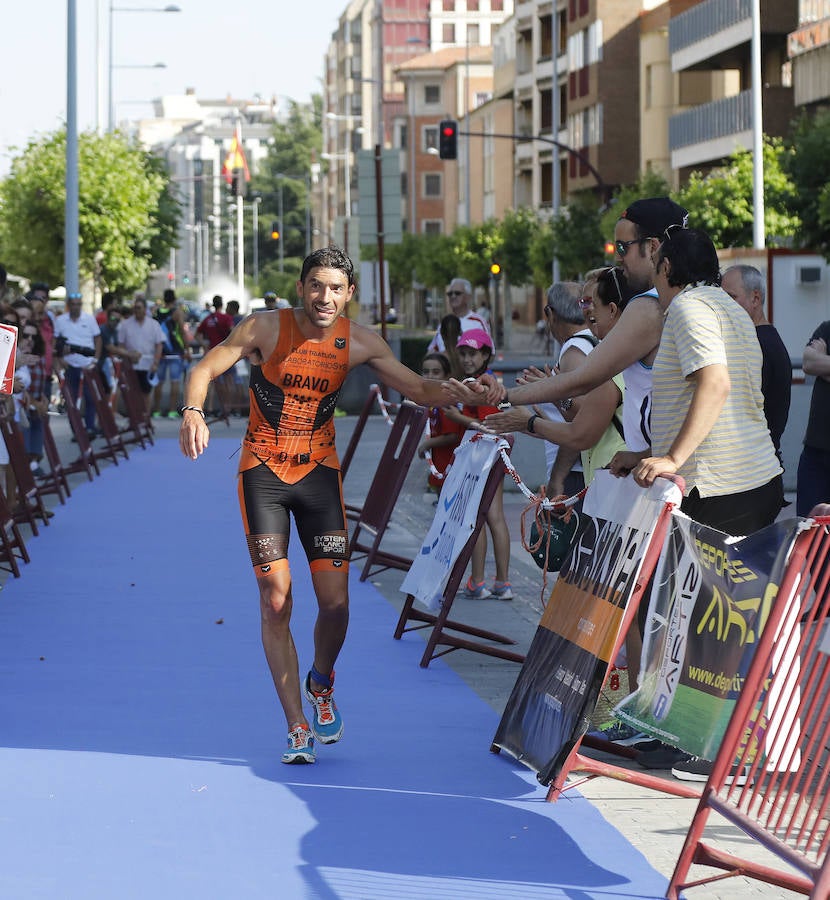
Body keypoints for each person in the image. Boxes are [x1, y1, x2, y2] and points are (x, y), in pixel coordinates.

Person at [178, 246, 450, 765]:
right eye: (316, 286)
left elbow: (418, 388)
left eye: (336, 289)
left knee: (336, 605)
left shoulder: (361, 341)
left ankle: (321, 682)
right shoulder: (264, 328)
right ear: (303, 287)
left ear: (350, 295)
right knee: (275, 598)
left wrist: (469, 392)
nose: (325, 297)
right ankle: (296, 725)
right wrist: (192, 411)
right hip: (263, 471)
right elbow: (205, 368)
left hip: (319, 475)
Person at [631, 228, 784, 784]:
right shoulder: (726, 307)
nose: (648, 267)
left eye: (653, 258)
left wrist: (671, 457)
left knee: (710, 624)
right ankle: (686, 737)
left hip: (724, 487)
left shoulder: (690, 308)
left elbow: (714, 386)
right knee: (708, 621)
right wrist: (648, 454)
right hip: (747, 478)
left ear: (667, 266)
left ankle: (716, 750)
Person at [450, 328, 513, 601]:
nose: (467, 359)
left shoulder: (483, 385)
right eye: (463, 353)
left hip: (484, 456)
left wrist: (456, 416)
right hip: (488, 455)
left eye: (473, 353)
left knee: (481, 518)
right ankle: (500, 582)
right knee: (491, 518)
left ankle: (480, 581)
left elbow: (489, 427)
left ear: (486, 354)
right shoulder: (483, 381)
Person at [721, 264, 791, 462]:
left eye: (731, 297)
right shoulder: (763, 339)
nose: (723, 305)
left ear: (755, 298)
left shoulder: (756, 344)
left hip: (752, 465)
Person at [54, 292, 101, 437]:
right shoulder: (60, 320)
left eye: (78, 304)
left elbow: (98, 339)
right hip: (69, 366)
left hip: (88, 365)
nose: (76, 307)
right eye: (73, 304)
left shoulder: (89, 319)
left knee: (90, 397)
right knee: (71, 400)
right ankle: (77, 431)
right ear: (69, 305)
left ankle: (90, 427)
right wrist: (60, 359)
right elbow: (54, 342)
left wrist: (95, 360)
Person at [796, 318, 830, 516]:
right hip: (815, 454)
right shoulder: (827, 328)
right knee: (808, 527)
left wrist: (824, 366)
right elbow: (809, 362)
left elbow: (816, 363)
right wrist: (818, 363)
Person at [417, 352, 465, 493]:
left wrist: (426, 444)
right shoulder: (433, 401)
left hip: (450, 467)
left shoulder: (446, 402)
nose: (430, 376)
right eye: (426, 372)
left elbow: (453, 435)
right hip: (440, 465)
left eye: (436, 372)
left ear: (446, 375)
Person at [114, 296, 164, 415]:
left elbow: (159, 345)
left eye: (139, 308)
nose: (137, 310)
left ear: (145, 309)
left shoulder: (153, 324)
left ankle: (145, 416)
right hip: (131, 365)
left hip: (147, 364)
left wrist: (156, 362)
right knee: (131, 392)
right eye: (135, 308)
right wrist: (128, 355)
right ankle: (134, 416)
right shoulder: (125, 325)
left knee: (146, 392)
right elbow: (120, 345)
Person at [426, 278, 491, 353]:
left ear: (468, 297)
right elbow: (432, 351)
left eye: (457, 293)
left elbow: (490, 354)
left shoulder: (479, 322)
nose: (453, 296)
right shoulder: (444, 323)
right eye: (450, 294)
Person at [196, 296, 234, 416]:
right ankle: (228, 407)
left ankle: (210, 407)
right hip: (226, 354)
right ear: (222, 305)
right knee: (228, 380)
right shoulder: (226, 318)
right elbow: (233, 332)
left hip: (212, 353)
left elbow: (197, 334)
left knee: (212, 382)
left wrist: (205, 346)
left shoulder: (208, 319)